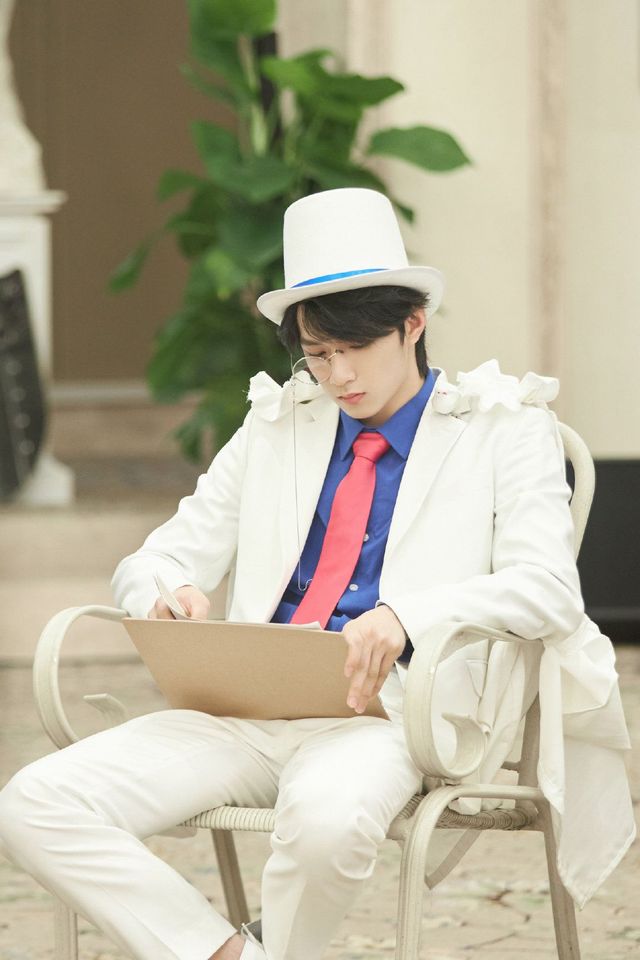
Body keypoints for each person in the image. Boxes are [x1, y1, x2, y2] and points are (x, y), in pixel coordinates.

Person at [0, 188, 633, 960]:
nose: (336, 376)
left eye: (354, 349)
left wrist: (408, 616)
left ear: (413, 323)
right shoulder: (278, 425)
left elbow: (549, 589)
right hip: (244, 709)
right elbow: (157, 556)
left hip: (387, 716)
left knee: (329, 822)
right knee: (34, 803)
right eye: (318, 353)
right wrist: (166, 594)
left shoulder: (503, 426)